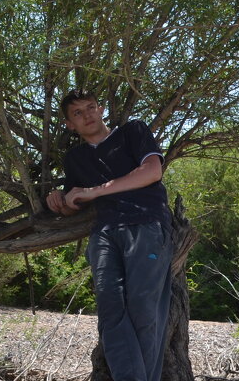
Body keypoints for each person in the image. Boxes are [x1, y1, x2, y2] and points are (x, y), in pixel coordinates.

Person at [46, 90, 173, 381]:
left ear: (101, 109)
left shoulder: (132, 132)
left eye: (91, 107)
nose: (88, 115)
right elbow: (75, 203)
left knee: (144, 312)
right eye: (78, 113)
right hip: (104, 233)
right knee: (110, 312)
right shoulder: (75, 158)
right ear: (69, 124)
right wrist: (60, 200)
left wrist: (94, 191)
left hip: (146, 224)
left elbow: (152, 172)